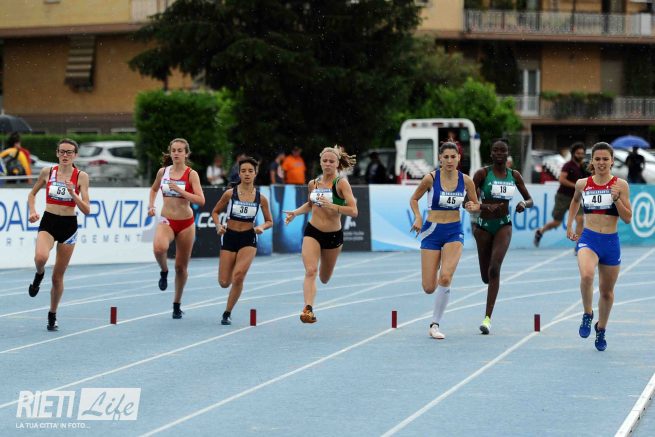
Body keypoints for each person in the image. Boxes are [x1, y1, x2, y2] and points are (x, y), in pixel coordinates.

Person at [409, 142, 480, 340]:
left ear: (459, 158)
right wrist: (418, 217)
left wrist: (473, 207)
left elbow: (475, 205)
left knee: (446, 277)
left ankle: (435, 324)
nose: (449, 160)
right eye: (446, 157)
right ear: (440, 158)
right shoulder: (430, 178)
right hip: (431, 232)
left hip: (453, 232)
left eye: (453, 157)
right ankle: (437, 269)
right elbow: (414, 199)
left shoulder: (466, 181)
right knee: (429, 288)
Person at [567, 142, 632, 351]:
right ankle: (587, 313)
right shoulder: (582, 184)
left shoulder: (620, 185)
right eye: (598, 159)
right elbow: (574, 201)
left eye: (605, 159)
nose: (601, 162)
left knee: (607, 292)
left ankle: (601, 329)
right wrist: (570, 224)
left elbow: (628, 218)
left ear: (612, 161)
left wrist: (617, 200)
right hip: (589, 238)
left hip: (611, 242)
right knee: (587, 275)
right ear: (592, 162)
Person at [284, 146, 357, 323]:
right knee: (311, 271)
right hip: (313, 231)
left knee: (324, 278)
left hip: (333, 235)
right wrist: (295, 213)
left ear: (337, 163)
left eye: (331, 161)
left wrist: (333, 206)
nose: (328, 164)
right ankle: (308, 309)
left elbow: (353, 211)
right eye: (325, 161)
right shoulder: (313, 184)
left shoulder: (341, 183)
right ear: (320, 163)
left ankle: (313, 299)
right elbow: (310, 205)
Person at [26, 139, 90, 331]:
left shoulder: (81, 176)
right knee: (40, 258)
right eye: (62, 152)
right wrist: (32, 211)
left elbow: (86, 209)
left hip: (68, 225)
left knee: (57, 277)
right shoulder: (48, 172)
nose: (65, 155)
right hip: (49, 221)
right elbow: (32, 194)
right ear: (57, 153)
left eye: (69, 152)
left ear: (75, 155)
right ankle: (39, 274)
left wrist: (73, 193)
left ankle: (52, 314)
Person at [473, 139, 534, 335]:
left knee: (494, 269)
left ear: (508, 155)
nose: (499, 153)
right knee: (486, 277)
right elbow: (468, 201)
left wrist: (523, 204)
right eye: (496, 150)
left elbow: (529, 199)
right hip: (483, 228)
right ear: (491, 154)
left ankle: (487, 319)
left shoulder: (514, 175)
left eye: (503, 151)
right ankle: (489, 279)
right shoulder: (482, 174)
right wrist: (485, 206)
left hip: (504, 225)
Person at [211, 156, 273, 325]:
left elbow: (270, 221)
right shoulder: (230, 193)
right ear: (239, 174)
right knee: (224, 282)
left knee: (238, 277)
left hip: (248, 238)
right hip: (230, 236)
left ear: (255, 173)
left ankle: (227, 312)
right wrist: (218, 225)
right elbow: (215, 212)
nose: (247, 174)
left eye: (250, 171)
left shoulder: (261, 198)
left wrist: (262, 227)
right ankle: (231, 270)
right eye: (243, 171)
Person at [148, 138, 205, 319]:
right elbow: (154, 189)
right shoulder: (163, 172)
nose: (176, 153)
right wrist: (151, 205)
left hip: (186, 223)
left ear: (186, 154)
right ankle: (164, 270)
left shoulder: (191, 174)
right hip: (167, 219)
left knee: (181, 267)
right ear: (170, 152)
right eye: (174, 150)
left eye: (180, 150)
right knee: (159, 249)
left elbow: (201, 200)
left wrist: (181, 191)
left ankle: (176, 304)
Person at [534, 142, 587, 247]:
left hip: (576, 198)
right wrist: (575, 186)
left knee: (580, 220)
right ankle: (540, 231)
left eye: (582, 153)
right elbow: (562, 179)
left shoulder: (582, 167)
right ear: (573, 153)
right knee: (556, 222)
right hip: (563, 197)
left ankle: (579, 245)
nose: (580, 155)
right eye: (578, 153)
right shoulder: (568, 166)